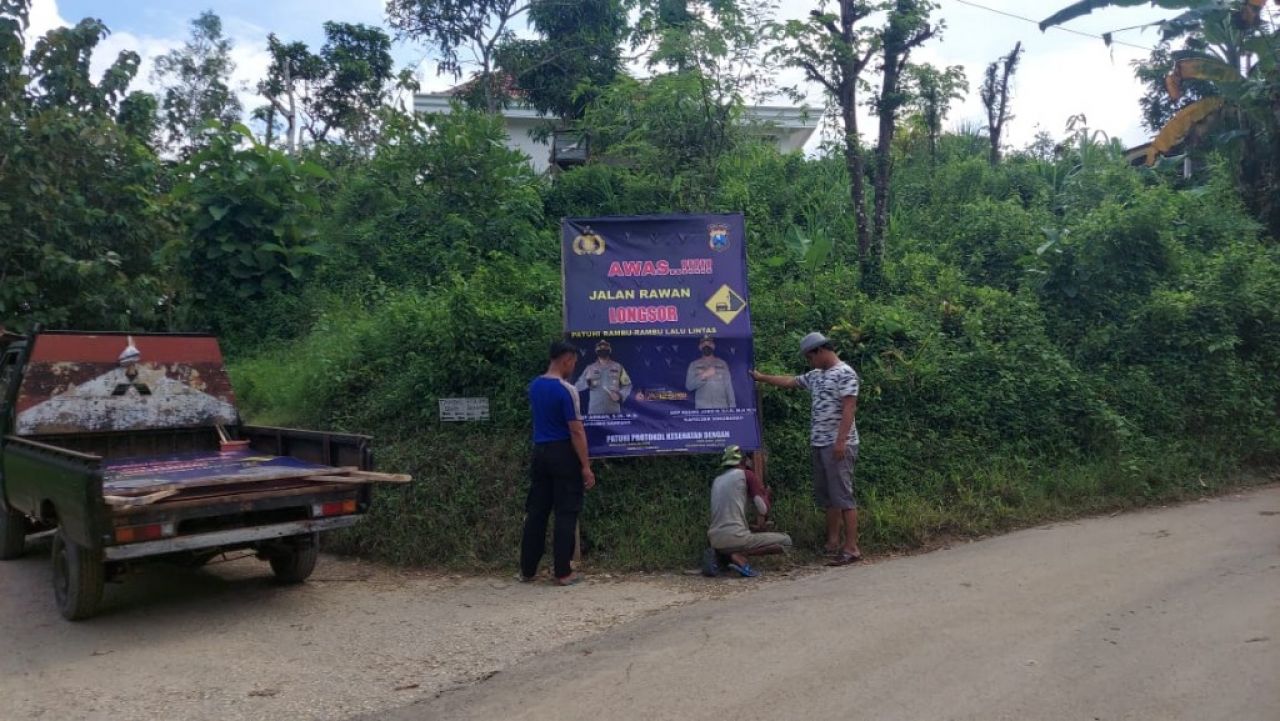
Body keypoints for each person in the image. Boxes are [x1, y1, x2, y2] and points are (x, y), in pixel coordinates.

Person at [750, 332, 862, 566]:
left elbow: (849, 409)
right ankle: (832, 542)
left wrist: (841, 442)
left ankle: (851, 548)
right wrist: (761, 377)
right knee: (829, 497)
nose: (809, 363)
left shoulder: (845, 373)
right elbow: (791, 381)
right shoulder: (816, 375)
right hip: (819, 442)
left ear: (820, 351)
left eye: (810, 358)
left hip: (838, 445)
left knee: (843, 496)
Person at [520, 340, 596, 586]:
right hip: (562, 453)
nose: (573, 366)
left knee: (537, 512)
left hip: (539, 452)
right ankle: (563, 572)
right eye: (573, 362)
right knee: (566, 512)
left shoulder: (534, 386)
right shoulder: (567, 390)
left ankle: (527, 570)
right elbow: (576, 430)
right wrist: (585, 466)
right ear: (566, 360)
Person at [702, 445, 792, 578]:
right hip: (737, 538)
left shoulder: (717, 480)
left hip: (714, 539)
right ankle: (740, 555)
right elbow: (763, 509)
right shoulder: (747, 475)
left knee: (737, 539)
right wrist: (766, 495)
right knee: (786, 541)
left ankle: (722, 557)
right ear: (744, 461)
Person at [575, 339, 632, 415]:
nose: (602, 351)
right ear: (596, 351)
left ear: (609, 351)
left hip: (613, 411)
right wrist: (587, 381)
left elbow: (627, 385)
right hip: (595, 411)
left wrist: (620, 395)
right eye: (600, 349)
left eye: (605, 349)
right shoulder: (590, 368)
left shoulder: (618, 367)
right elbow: (577, 387)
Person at [685, 335, 736, 409]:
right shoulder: (693, 365)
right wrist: (703, 375)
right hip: (703, 409)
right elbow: (689, 386)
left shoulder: (722, 364)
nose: (706, 346)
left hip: (721, 408)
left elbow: (729, 387)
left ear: (713, 346)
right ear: (700, 347)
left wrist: (732, 408)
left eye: (709, 344)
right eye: (704, 344)